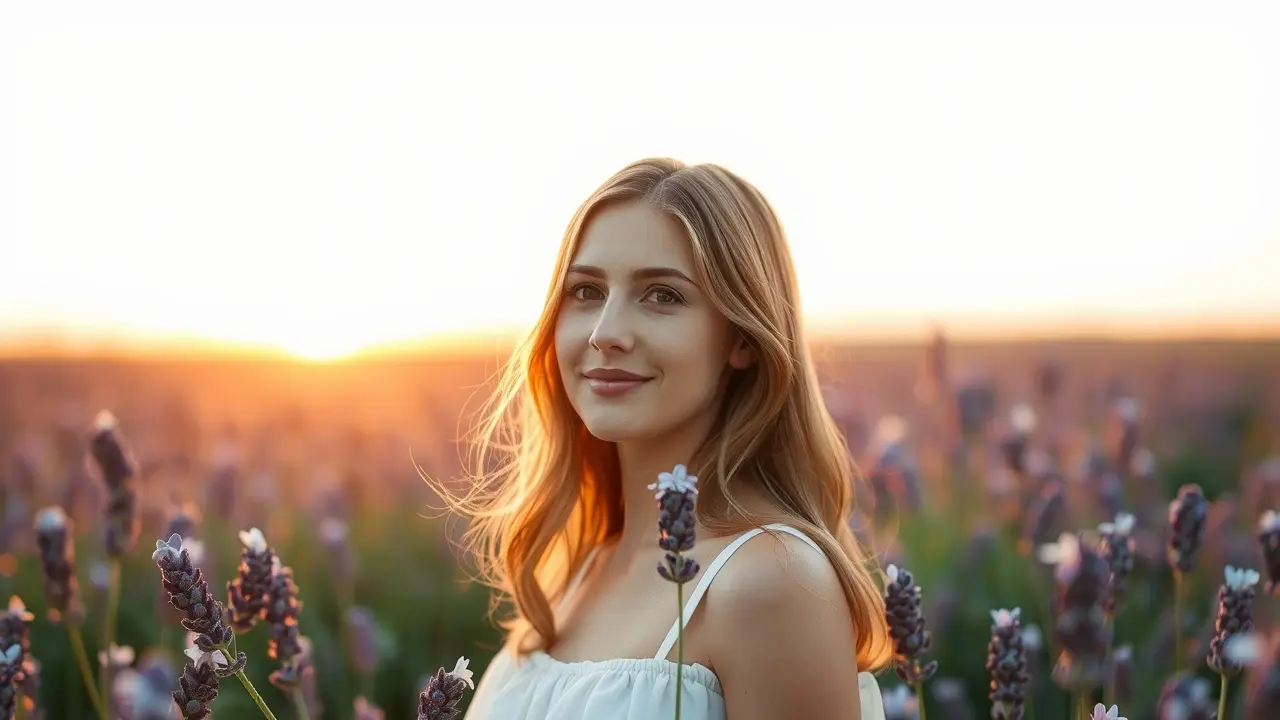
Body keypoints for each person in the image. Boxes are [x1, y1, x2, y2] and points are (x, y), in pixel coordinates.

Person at [437, 158, 891, 719]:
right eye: (585, 291)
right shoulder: (576, 567)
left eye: (662, 296)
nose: (606, 333)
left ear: (743, 339)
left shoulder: (772, 579)